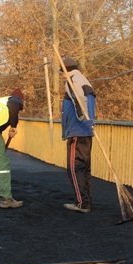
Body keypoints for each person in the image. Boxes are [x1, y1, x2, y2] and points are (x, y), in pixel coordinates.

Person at [60, 56, 96, 214]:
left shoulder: (72, 80)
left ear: (65, 70)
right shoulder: (84, 81)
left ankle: (81, 203)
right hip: (86, 132)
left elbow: (79, 98)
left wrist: (82, 117)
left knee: (75, 169)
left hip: (77, 131)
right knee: (84, 169)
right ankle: (86, 201)